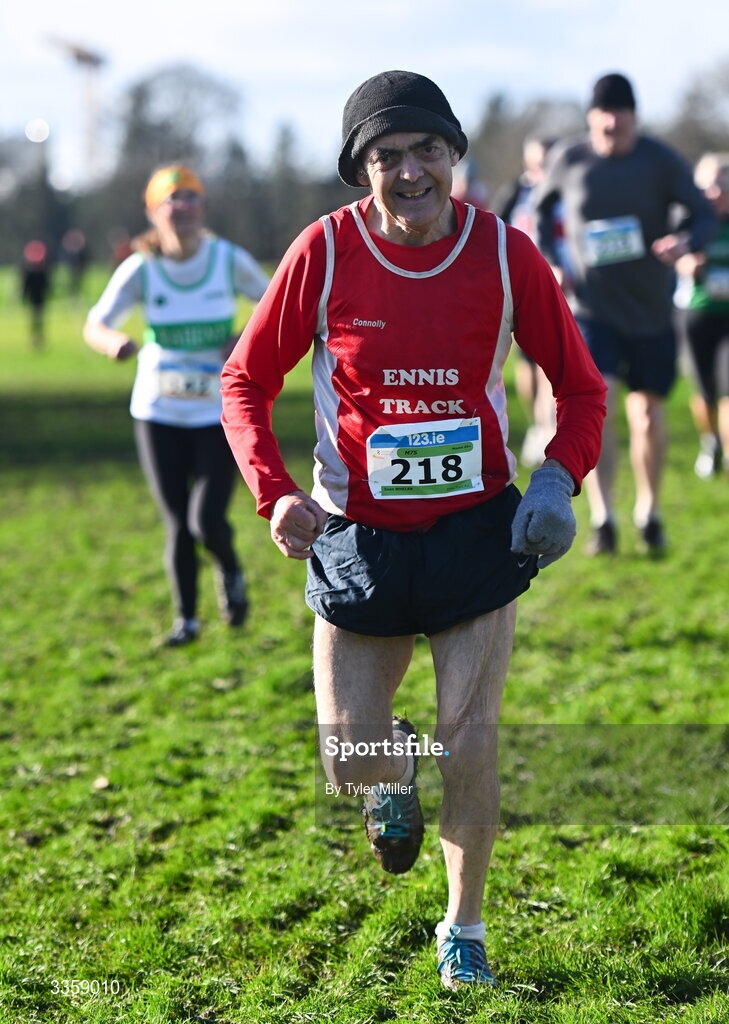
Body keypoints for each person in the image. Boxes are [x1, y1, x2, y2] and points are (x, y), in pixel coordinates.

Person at [221, 70, 606, 989]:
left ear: (453, 154)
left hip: (476, 534)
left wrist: (557, 481)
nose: (408, 172)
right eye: (385, 156)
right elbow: (245, 380)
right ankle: (391, 776)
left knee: (468, 740)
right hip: (358, 537)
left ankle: (462, 928)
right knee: (348, 756)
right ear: (361, 171)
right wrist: (274, 492)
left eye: (426, 149)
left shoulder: (506, 255)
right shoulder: (323, 252)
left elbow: (581, 389)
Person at [84, 165, 270, 646]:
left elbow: (275, 304)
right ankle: (186, 621)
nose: (182, 206)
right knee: (177, 524)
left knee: (205, 520)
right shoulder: (141, 267)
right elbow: (96, 323)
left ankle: (231, 571)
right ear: (153, 210)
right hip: (157, 412)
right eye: (172, 198)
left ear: (202, 207)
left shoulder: (227, 259)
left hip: (216, 413)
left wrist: (241, 337)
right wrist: (113, 343)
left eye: (191, 197)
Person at [535, 72, 717, 555]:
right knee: (601, 409)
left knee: (649, 416)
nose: (612, 124)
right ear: (591, 117)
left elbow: (702, 213)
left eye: (621, 115)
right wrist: (552, 259)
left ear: (635, 117)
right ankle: (604, 518)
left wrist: (685, 241)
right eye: (604, 115)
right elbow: (540, 211)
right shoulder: (569, 160)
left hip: (651, 310)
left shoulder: (660, 160)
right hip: (592, 309)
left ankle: (649, 512)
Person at [492, 137, 563, 468]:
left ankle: (549, 428)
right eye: (536, 162)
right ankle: (536, 422)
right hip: (518, 285)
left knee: (551, 361)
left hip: (560, 284)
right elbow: (493, 225)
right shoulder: (516, 192)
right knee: (527, 363)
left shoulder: (566, 191)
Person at [674, 153, 729, 478]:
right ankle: (711, 442)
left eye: (724, 186)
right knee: (704, 389)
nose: (717, 193)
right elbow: (670, 253)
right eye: (710, 186)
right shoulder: (687, 220)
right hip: (695, 314)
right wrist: (685, 264)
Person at [21, 240, 52, 349]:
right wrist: (23, 296)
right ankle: (35, 339)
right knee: (34, 319)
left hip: (41, 298)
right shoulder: (29, 271)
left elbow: (47, 284)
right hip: (33, 299)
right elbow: (25, 285)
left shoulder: (43, 270)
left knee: (40, 320)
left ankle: (39, 338)